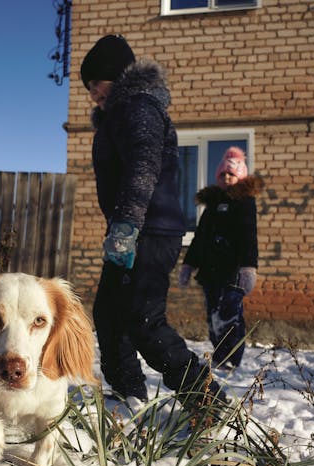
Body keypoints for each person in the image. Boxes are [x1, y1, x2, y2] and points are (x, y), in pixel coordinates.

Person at [81, 34, 226, 404]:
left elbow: (143, 167)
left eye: (95, 83)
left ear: (114, 76)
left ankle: (208, 401)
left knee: (144, 322)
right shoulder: (122, 112)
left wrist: (127, 224)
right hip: (134, 231)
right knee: (109, 315)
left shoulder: (137, 107)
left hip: (148, 232)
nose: (92, 93)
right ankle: (129, 396)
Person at [178, 146, 264, 370]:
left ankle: (231, 359)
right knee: (213, 317)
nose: (227, 178)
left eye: (232, 174)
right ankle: (219, 355)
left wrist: (248, 268)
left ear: (240, 176)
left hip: (233, 271)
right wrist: (189, 264)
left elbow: (248, 236)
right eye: (223, 174)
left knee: (229, 316)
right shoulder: (213, 204)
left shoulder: (244, 203)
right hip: (210, 271)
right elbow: (200, 237)